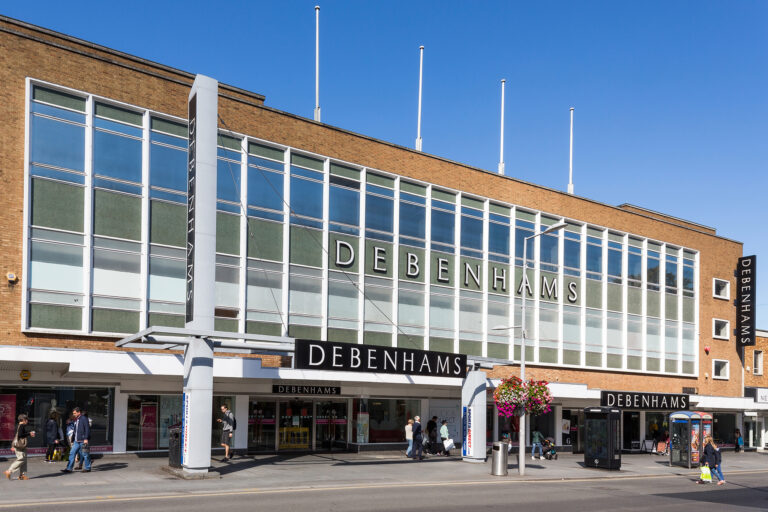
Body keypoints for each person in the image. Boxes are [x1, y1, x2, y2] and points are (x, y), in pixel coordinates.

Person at [4, 414, 36, 480]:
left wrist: (29, 433)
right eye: (27, 420)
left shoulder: (21, 426)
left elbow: (19, 435)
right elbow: (21, 435)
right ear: (24, 420)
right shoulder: (21, 426)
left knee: (24, 460)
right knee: (21, 459)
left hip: (21, 446)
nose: (27, 421)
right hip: (19, 446)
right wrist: (29, 434)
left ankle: (22, 475)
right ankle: (9, 471)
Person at [62, 407, 91, 473]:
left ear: (79, 412)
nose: (73, 414)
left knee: (85, 454)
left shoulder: (84, 418)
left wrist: (86, 438)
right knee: (72, 453)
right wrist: (73, 438)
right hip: (76, 441)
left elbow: (87, 429)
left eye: (74, 413)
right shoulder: (76, 419)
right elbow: (75, 430)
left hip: (83, 440)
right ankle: (69, 468)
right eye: (73, 413)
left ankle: (88, 468)